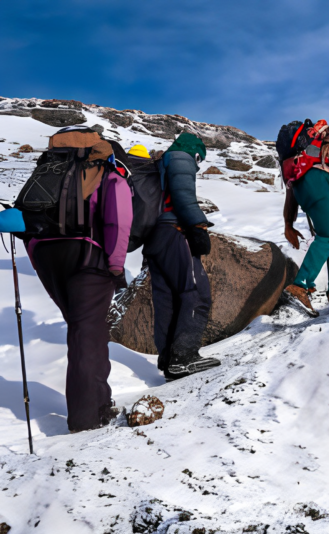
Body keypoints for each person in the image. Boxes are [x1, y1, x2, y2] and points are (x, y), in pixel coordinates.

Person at [27, 136, 133, 432]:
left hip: (49, 257)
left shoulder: (49, 174)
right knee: (88, 333)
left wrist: (39, 259)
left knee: (81, 329)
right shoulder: (109, 176)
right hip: (88, 256)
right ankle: (89, 416)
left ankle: (99, 400)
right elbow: (118, 221)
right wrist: (115, 264)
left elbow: (31, 222)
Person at [143, 131, 220, 380]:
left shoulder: (161, 162)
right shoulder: (181, 157)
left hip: (155, 237)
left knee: (167, 299)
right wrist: (198, 227)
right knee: (196, 294)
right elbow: (184, 196)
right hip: (174, 232)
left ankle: (168, 360)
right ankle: (184, 356)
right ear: (196, 152)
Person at [282, 123, 329, 315]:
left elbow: (291, 189)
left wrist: (288, 223)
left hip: (303, 189)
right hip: (322, 181)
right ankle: (300, 285)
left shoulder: (301, 157)